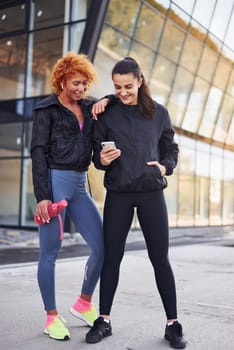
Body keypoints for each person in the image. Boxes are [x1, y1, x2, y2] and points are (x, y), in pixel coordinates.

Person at [86, 57, 186, 349]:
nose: (122, 92)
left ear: (140, 81)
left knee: (160, 259)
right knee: (111, 258)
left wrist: (165, 167)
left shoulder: (159, 113)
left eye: (128, 86)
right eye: (117, 87)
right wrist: (101, 160)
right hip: (118, 192)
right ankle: (103, 320)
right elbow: (96, 154)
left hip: (151, 192)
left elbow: (171, 148)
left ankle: (172, 324)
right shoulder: (106, 113)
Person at [30, 51, 111, 341]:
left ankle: (84, 302)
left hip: (79, 186)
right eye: (76, 82)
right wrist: (43, 196)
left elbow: (114, 100)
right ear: (62, 79)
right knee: (49, 252)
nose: (80, 88)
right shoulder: (46, 110)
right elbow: (37, 152)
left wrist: (107, 100)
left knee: (103, 246)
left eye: (86, 84)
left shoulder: (90, 108)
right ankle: (51, 316)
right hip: (54, 185)